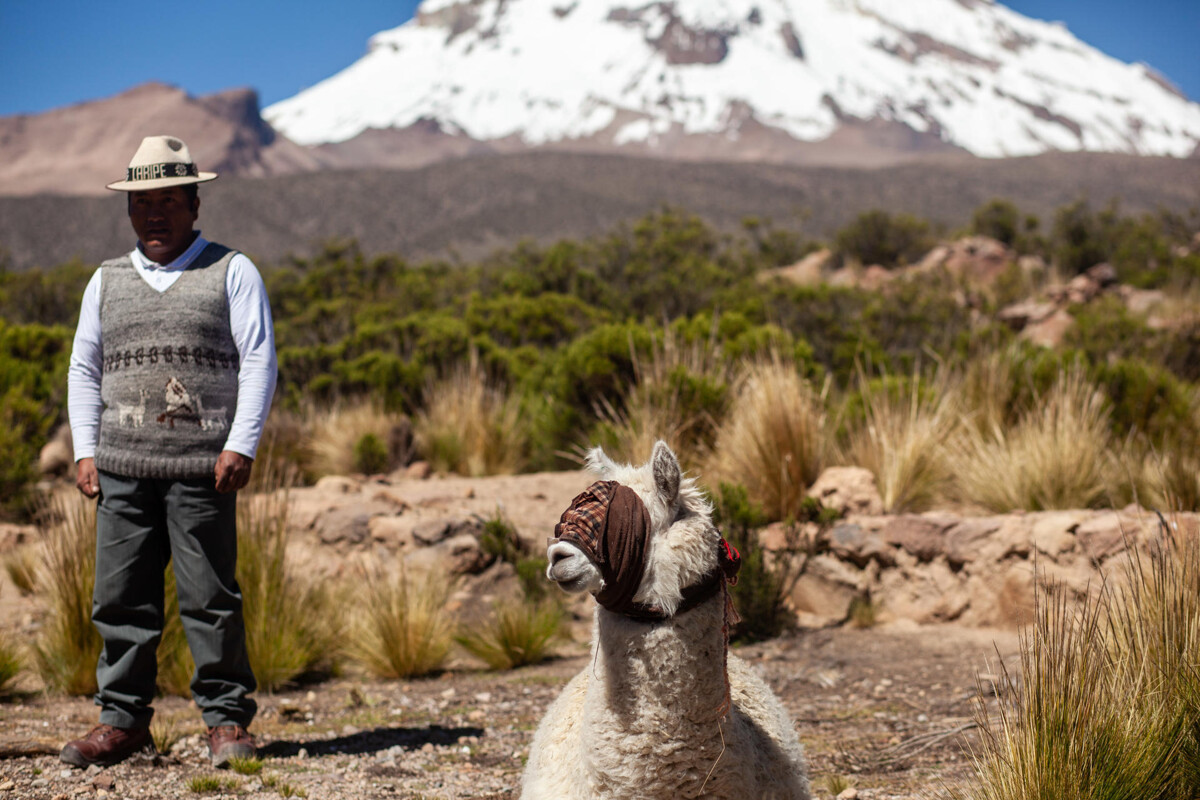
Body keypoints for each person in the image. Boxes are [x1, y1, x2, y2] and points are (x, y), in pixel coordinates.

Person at [61, 135, 277, 769]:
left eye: (168, 201)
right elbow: (84, 367)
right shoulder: (105, 281)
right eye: (141, 203)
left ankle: (227, 721)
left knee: (210, 597)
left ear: (193, 203)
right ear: (129, 211)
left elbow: (258, 357)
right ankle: (122, 723)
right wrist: (85, 448)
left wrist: (241, 442)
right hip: (121, 469)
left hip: (202, 471)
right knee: (120, 597)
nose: (154, 215)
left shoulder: (232, 270)